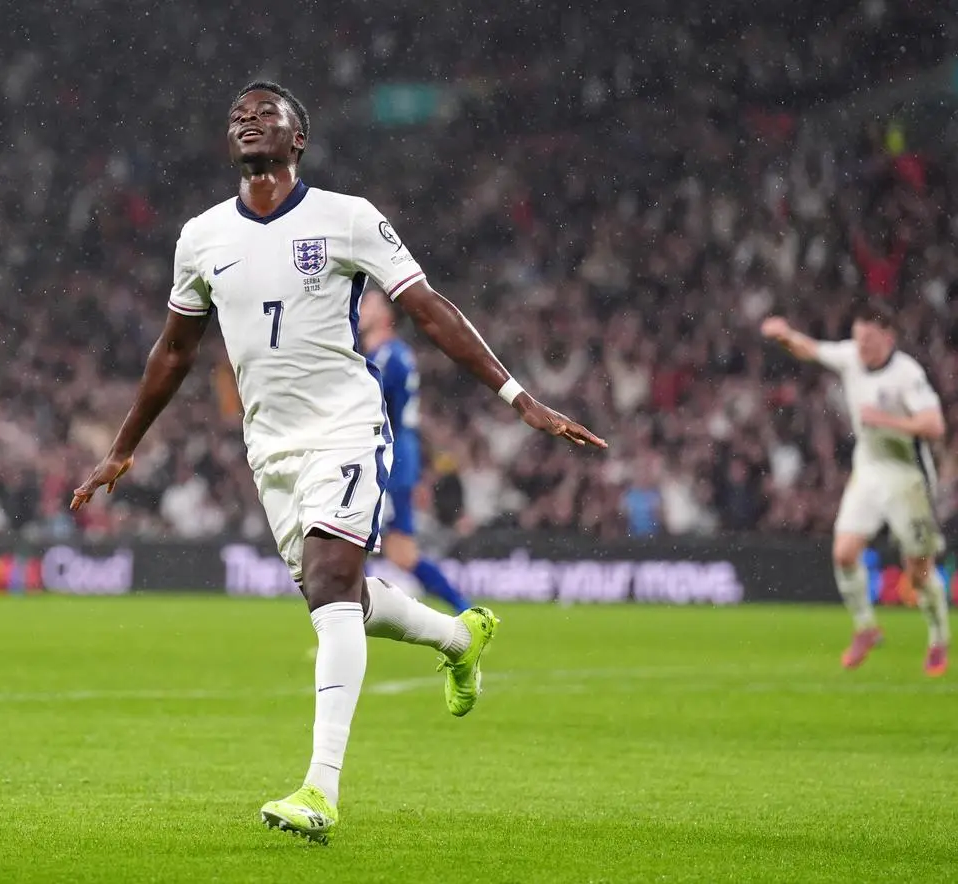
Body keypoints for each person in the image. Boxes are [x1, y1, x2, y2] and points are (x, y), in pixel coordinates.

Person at [71, 81, 607, 844]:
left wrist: (519, 397)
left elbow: (426, 306)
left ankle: (319, 790)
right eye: (237, 114)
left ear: (299, 140)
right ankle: (460, 638)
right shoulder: (201, 237)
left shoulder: (347, 218)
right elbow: (174, 350)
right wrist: (122, 448)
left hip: (347, 425)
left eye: (266, 113)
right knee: (343, 599)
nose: (247, 119)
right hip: (271, 446)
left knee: (328, 589)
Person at [761, 302, 948, 676]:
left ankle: (938, 636)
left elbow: (934, 426)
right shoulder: (850, 355)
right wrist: (784, 335)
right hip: (869, 470)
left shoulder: (906, 375)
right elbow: (810, 349)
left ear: (889, 338)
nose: (862, 348)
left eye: (870, 342)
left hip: (907, 478)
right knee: (844, 553)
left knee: (918, 574)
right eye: (859, 339)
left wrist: (887, 420)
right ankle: (866, 627)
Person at [359, 287, 472, 613]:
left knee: (364, 543)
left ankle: (466, 611)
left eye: (369, 303)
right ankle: (466, 611)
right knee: (389, 549)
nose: (361, 308)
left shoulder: (387, 357)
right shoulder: (388, 354)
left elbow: (378, 412)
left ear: (387, 315)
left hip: (387, 459)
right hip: (393, 456)